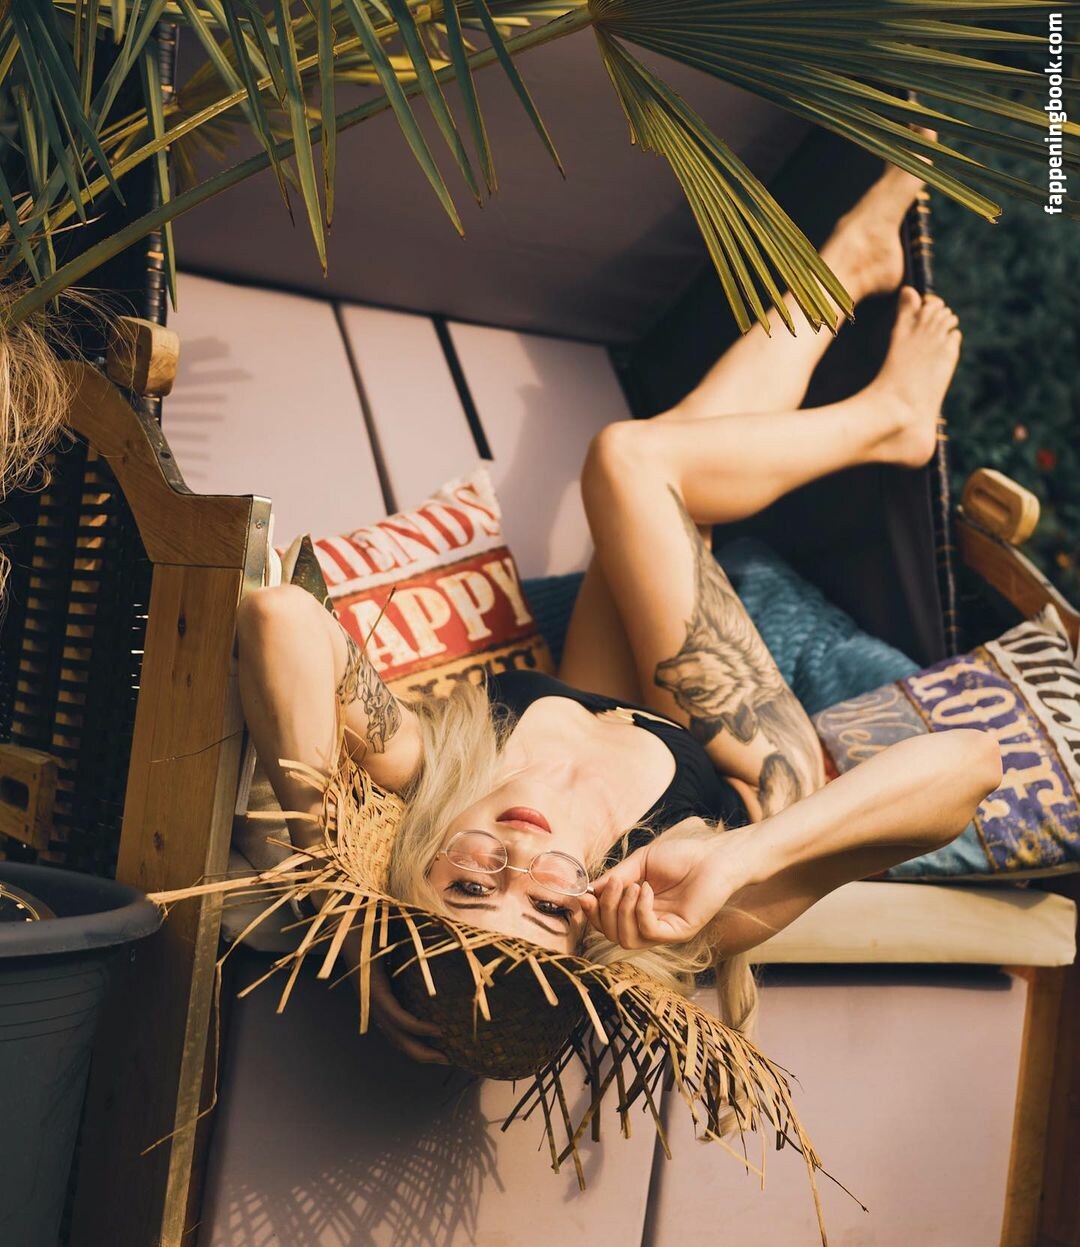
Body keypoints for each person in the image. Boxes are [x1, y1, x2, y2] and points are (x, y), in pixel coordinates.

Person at [234, 153, 1002, 1069]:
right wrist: (745, 857)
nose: (518, 864)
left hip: (590, 687)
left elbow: (280, 619)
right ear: (588, 926)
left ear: (421, 868)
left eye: (470, 888)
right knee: (632, 463)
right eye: (546, 908)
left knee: (662, 468)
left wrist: (331, 883)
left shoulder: (429, 776)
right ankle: (885, 418)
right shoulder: (687, 898)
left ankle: (846, 273)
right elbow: (972, 764)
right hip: (731, 744)